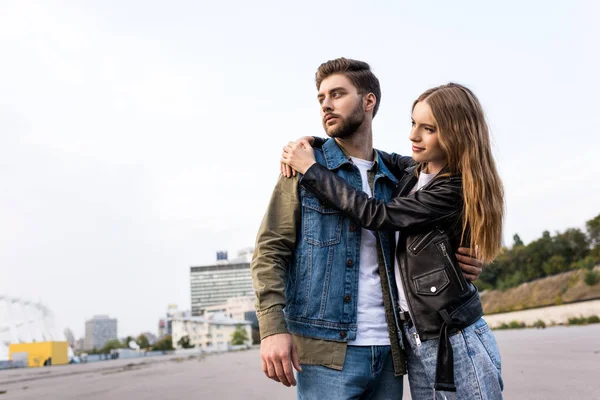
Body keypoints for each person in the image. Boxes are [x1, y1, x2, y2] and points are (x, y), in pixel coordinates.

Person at [251, 58, 484, 400]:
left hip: (393, 351)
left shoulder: (399, 178)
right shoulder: (301, 169)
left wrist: (464, 259)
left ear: (368, 101)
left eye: (337, 94)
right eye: (321, 98)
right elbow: (270, 250)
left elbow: (403, 225)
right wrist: (272, 329)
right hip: (326, 354)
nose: (326, 104)